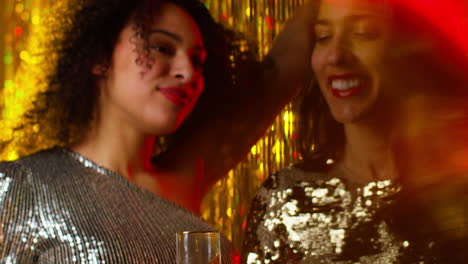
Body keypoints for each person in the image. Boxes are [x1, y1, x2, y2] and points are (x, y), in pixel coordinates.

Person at [0, 0, 315, 262]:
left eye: (198, 61)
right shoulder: (19, 188)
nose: (187, 72)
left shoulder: (189, 174)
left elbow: (277, 76)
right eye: (163, 48)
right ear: (99, 57)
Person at [242, 0, 468, 263]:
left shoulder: (453, 191)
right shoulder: (285, 197)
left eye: (363, 33)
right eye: (323, 37)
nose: (336, 55)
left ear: (410, 49)